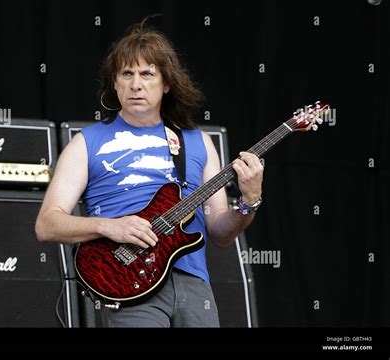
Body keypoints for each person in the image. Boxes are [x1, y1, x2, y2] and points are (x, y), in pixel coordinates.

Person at [35, 18, 264, 327]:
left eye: (147, 74)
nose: (136, 84)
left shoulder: (198, 142)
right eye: (126, 74)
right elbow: (47, 224)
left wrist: (249, 200)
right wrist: (109, 227)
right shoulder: (85, 143)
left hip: (194, 284)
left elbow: (221, 232)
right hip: (128, 281)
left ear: (166, 83)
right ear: (114, 83)